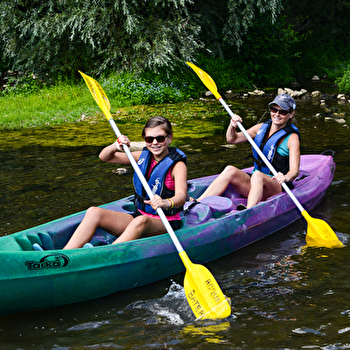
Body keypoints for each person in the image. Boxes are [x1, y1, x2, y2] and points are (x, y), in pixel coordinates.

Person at [63, 116, 188, 249]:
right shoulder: (141, 157)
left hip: (166, 221)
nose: (155, 142)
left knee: (140, 221)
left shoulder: (177, 166)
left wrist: (166, 202)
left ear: (169, 138)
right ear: (145, 140)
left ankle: (102, 255)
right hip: (140, 215)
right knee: (94, 212)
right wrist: (115, 146)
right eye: (149, 139)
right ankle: (64, 256)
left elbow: (181, 196)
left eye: (160, 138)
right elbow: (104, 157)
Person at [195, 94, 300, 209]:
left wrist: (285, 177)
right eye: (274, 109)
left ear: (291, 114)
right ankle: (197, 202)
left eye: (282, 112)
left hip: (275, 186)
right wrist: (232, 126)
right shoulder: (261, 128)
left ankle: (249, 210)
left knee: (257, 175)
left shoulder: (292, 138)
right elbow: (232, 139)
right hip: (256, 183)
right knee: (230, 170)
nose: (277, 114)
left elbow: (294, 171)